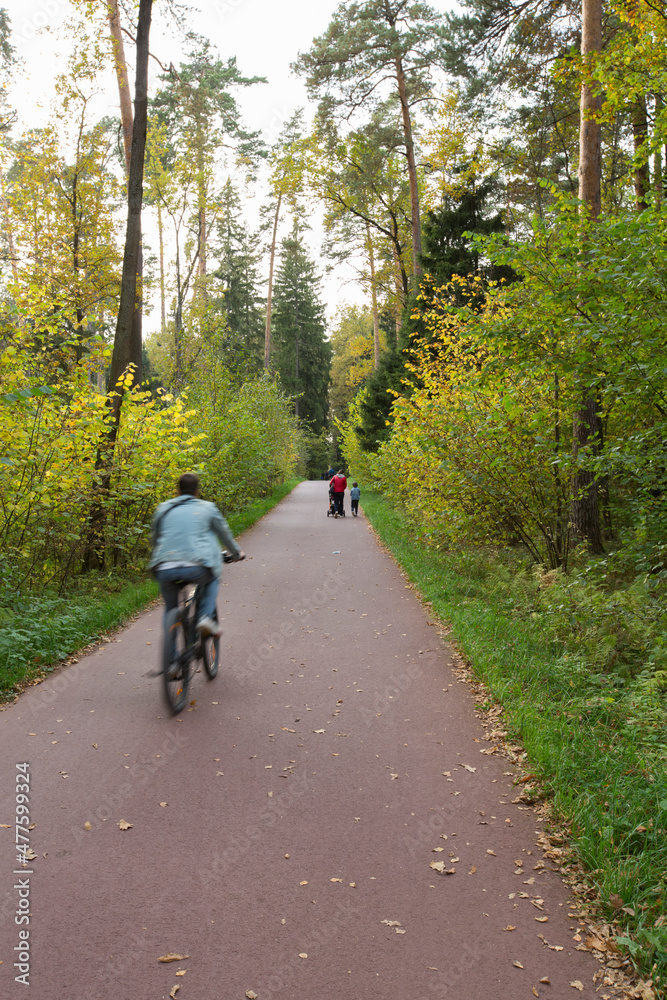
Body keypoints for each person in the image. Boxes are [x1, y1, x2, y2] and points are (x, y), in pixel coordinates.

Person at [149, 472, 244, 638]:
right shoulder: (207, 508)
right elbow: (225, 534)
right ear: (197, 491)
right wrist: (237, 553)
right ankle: (205, 618)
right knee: (213, 577)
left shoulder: (163, 509)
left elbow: (155, 539)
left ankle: (171, 662)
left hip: (164, 567)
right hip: (197, 566)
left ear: (177, 491)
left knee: (170, 609)